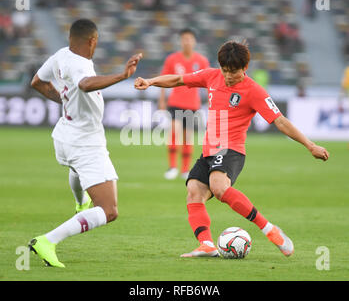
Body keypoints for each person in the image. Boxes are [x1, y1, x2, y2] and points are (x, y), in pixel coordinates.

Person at [135, 40, 329, 258]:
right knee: (193, 192)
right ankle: (207, 244)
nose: (228, 76)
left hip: (231, 150)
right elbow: (179, 79)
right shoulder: (212, 76)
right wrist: (151, 81)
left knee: (218, 187)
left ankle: (271, 230)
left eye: (233, 71)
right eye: (224, 70)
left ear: (245, 68)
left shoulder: (254, 91)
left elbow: (280, 120)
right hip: (209, 150)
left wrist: (310, 145)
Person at [28, 19, 142, 267]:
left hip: (65, 134)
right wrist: (123, 75)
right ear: (93, 41)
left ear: (70, 38)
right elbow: (85, 84)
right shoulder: (81, 65)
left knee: (75, 168)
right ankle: (47, 241)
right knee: (109, 211)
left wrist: (65, 102)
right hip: (85, 143)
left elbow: (37, 82)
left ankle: (80, 203)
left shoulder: (61, 55)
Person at [158, 28, 210, 180]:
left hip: (193, 104)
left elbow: (208, 82)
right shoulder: (172, 59)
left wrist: (212, 101)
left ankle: (185, 170)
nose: (187, 41)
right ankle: (172, 167)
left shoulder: (201, 61)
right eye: (184, 39)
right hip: (175, 102)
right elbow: (163, 79)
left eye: (189, 38)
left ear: (194, 41)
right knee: (175, 131)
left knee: (188, 137)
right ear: (180, 41)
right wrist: (162, 99)